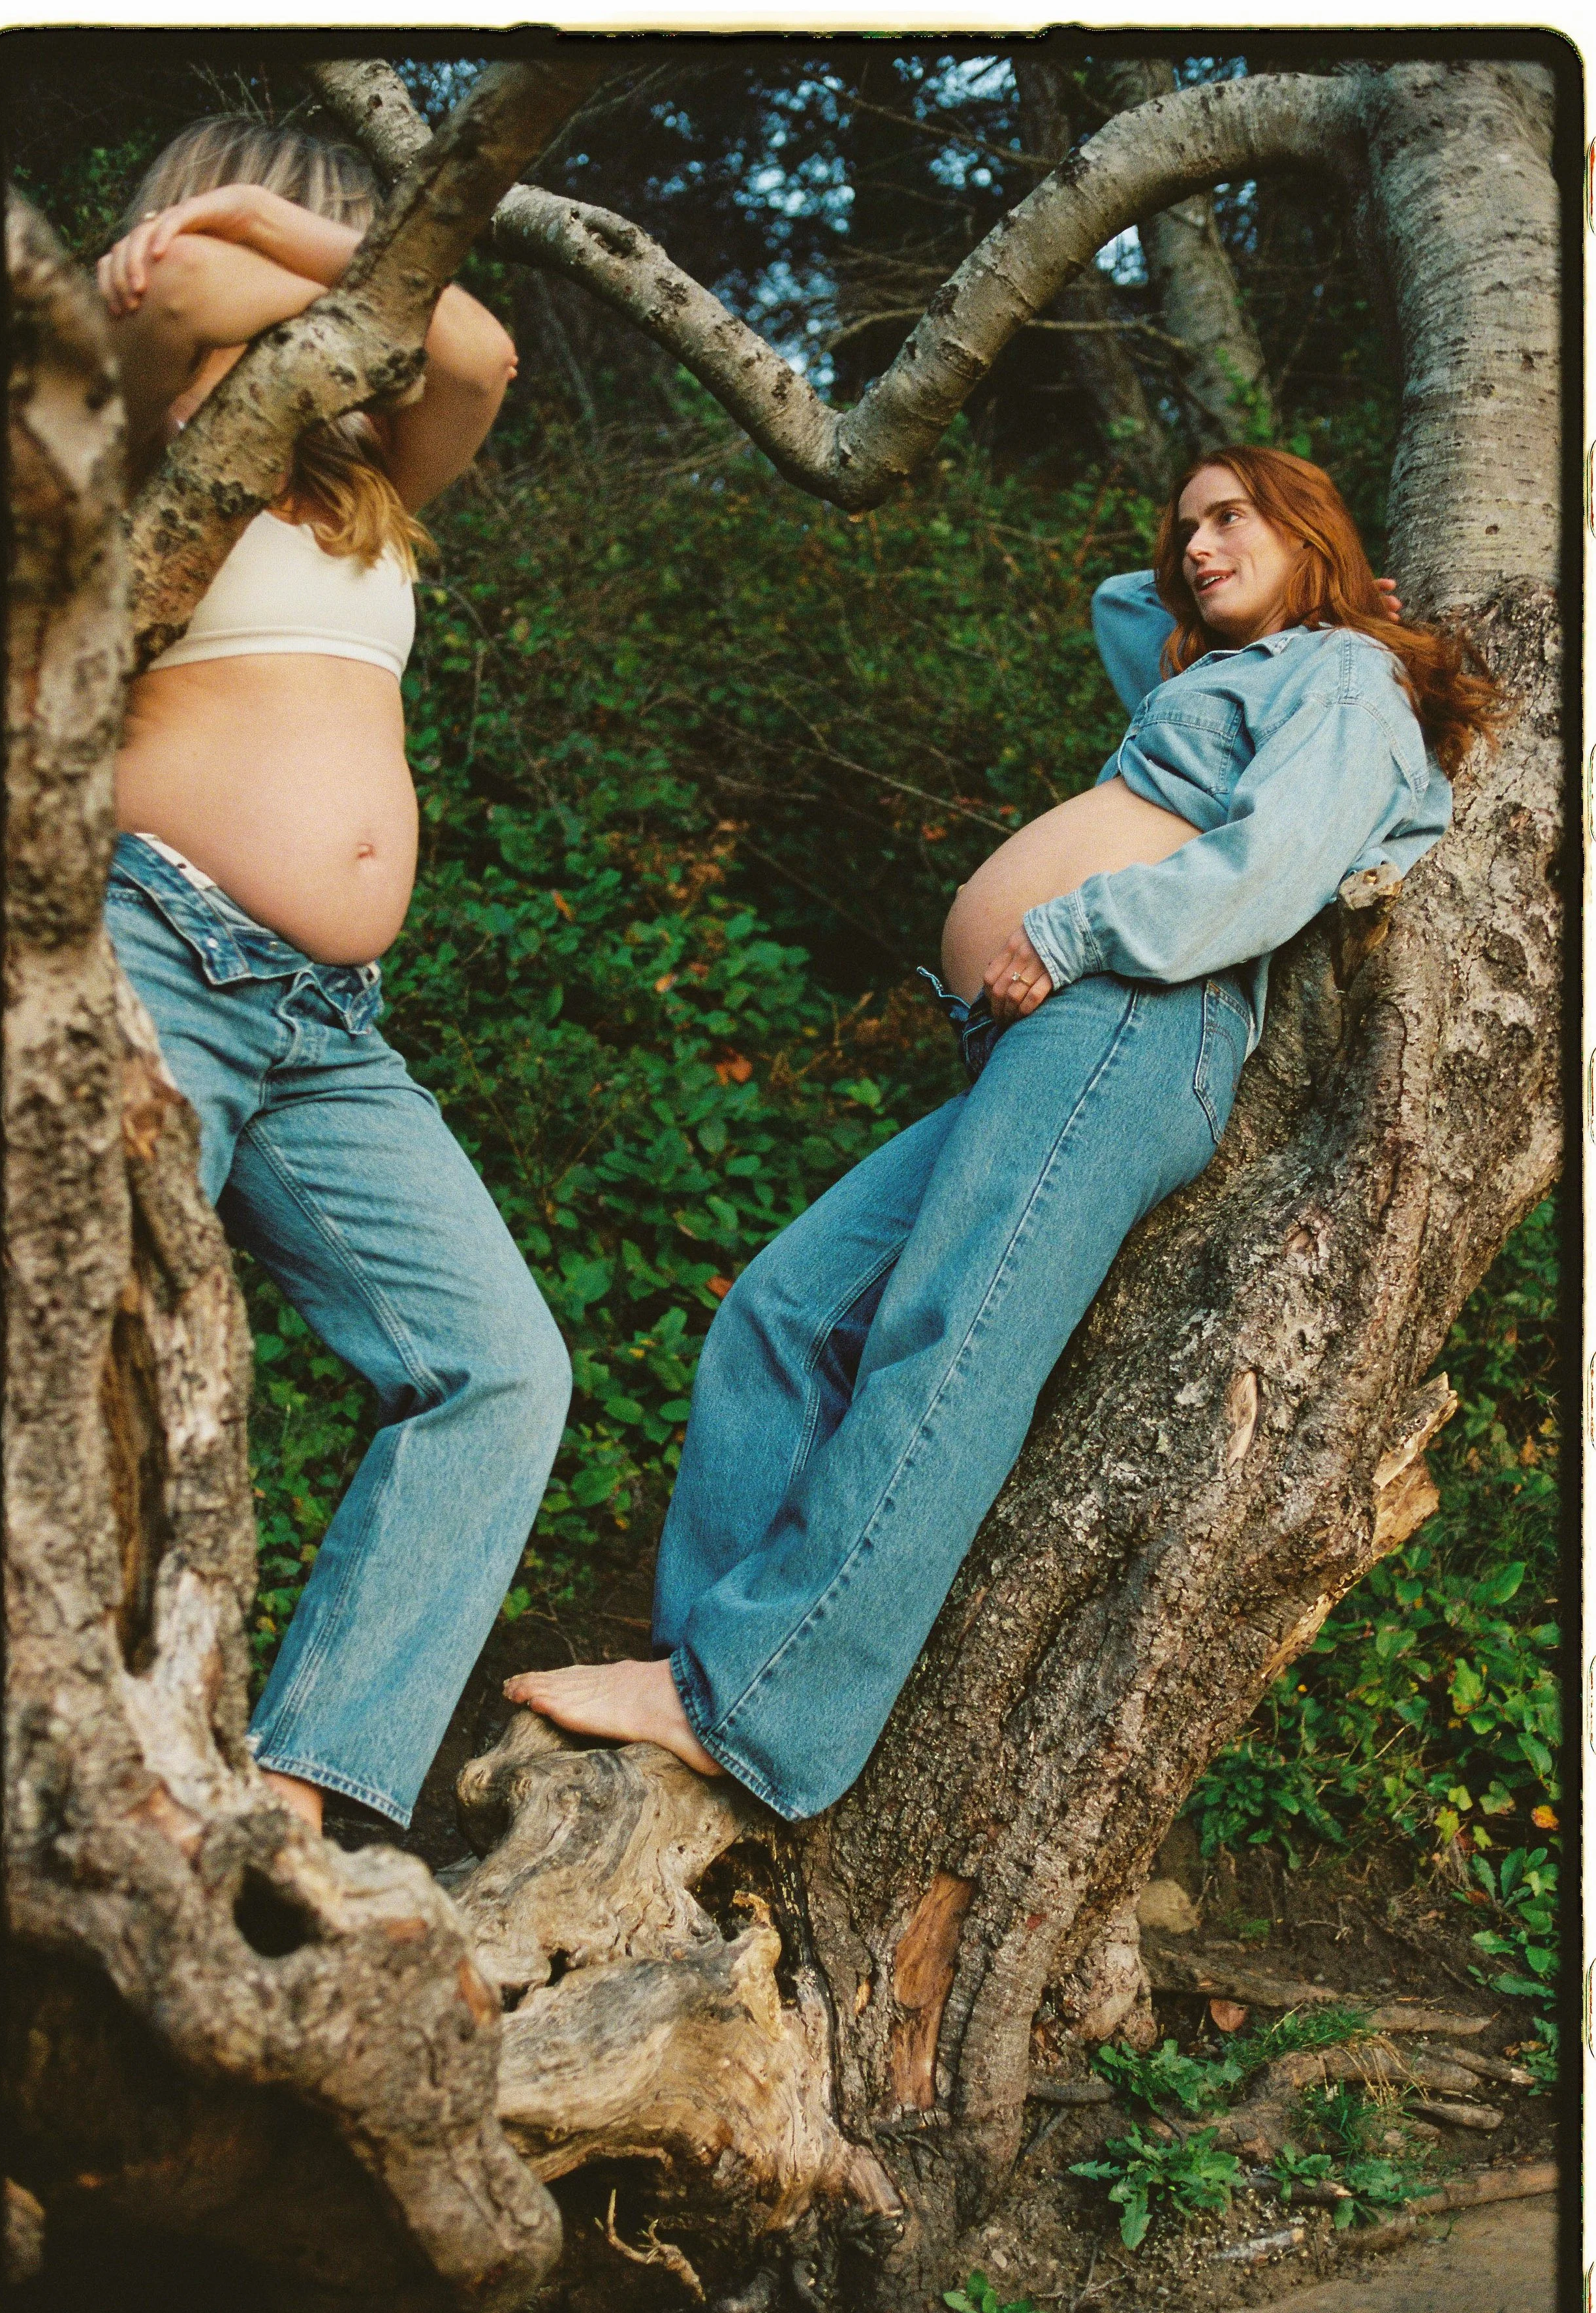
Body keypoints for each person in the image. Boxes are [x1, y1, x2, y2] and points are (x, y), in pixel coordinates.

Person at [506, 445, 1500, 1822]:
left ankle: (753, 1698)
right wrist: (1255, 562)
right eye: (1184, 529)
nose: (1196, 547)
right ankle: (700, 1657)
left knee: (949, 1331)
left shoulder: (1332, 673)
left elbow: (1269, 868)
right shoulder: (1210, 667)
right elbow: (1119, 603)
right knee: (784, 1309)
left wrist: (1074, 922)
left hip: (1135, 1010)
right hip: (1053, 1037)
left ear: (1306, 524)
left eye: (1230, 519)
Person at [97, 118, 572, 1835]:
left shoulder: (367, 478)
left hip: (321, 1025)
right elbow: (201, 290)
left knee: (498, 1367)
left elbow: (477, 346)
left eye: (363, 251)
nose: (355, 292)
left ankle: (297, 1800)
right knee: (90, 1376)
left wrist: (275, 235)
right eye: (334, 246)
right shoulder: (126, 424)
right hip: (152, 947)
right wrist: (231, 225)